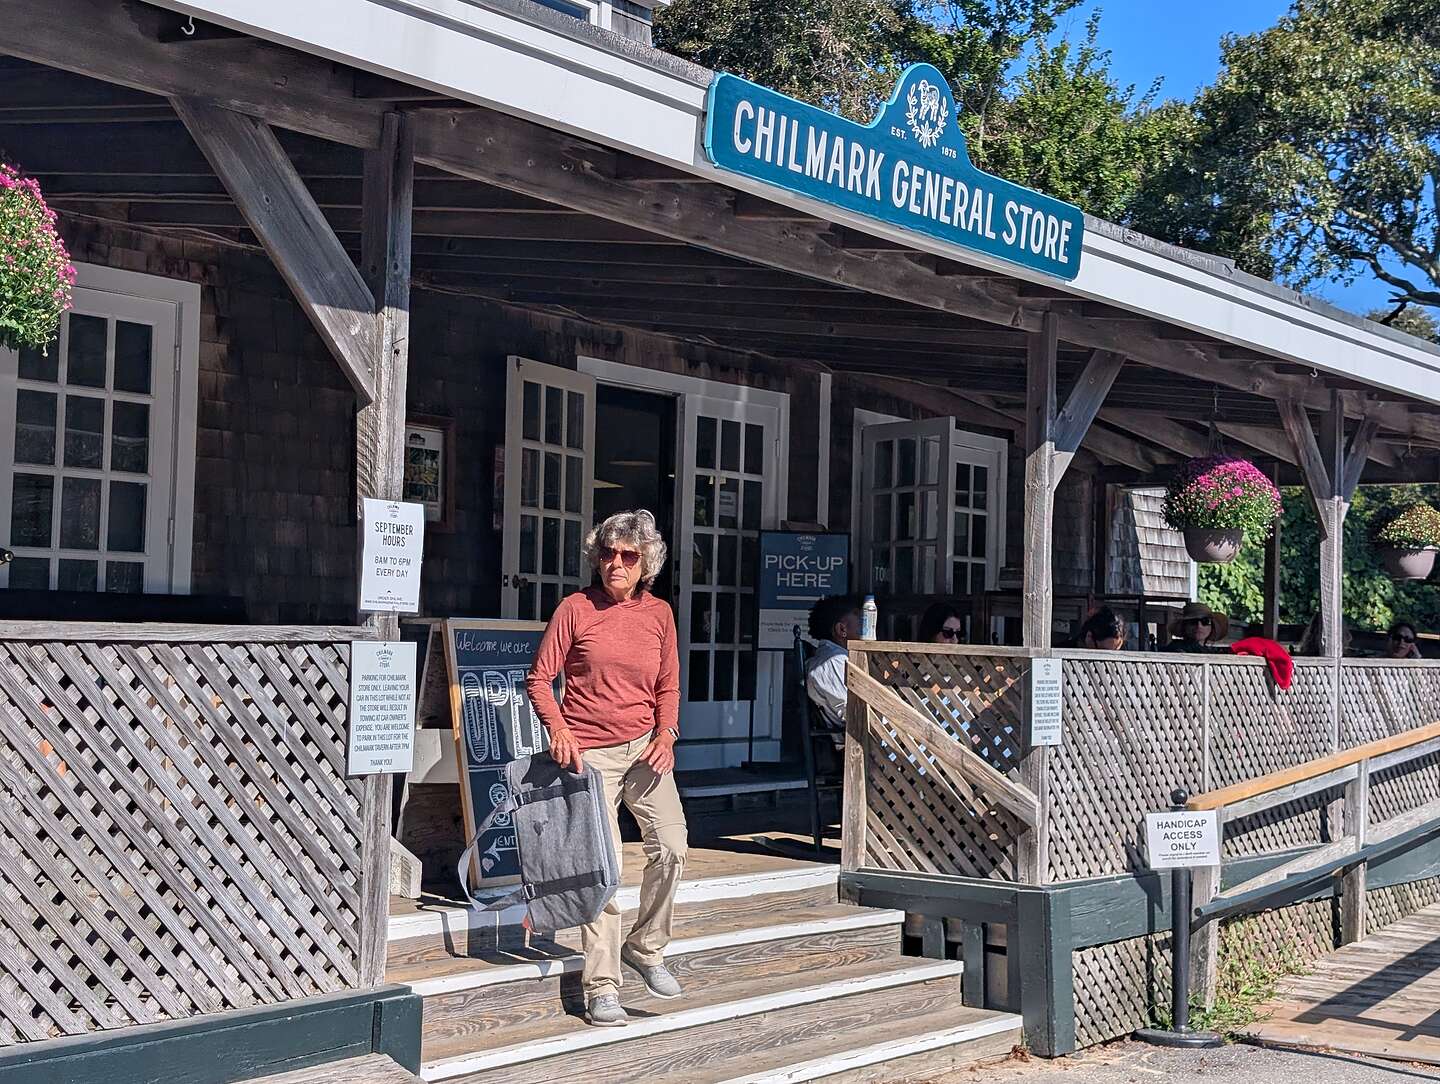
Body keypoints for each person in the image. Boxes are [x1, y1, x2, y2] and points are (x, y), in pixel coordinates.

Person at [526, 510, 686, 1029]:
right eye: (608, 554)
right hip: (589, 754)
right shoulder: (575, 608)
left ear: (646, 563)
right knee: (606, 869)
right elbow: (539, 680)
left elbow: (668, 685)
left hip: (645, 749)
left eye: (628, 556)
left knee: (673, 845)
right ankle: (602, 986)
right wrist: (559, 729)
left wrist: (667, 734)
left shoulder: (659, 614)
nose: (616, 563)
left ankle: (645, 948)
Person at [805, 595, 861, 739]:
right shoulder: (833, 661)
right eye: (860, 622)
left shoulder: (835, 658)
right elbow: (853, 713)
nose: (866, 627)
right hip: (859, 742)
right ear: (841, 629)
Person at [1163, 602, 1229, 653]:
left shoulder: (1211, 651)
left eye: (1205, 621)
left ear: (1212, 627)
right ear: (1184, 626)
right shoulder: (1176, 648)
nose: (1199, 626)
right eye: (1193, 621)